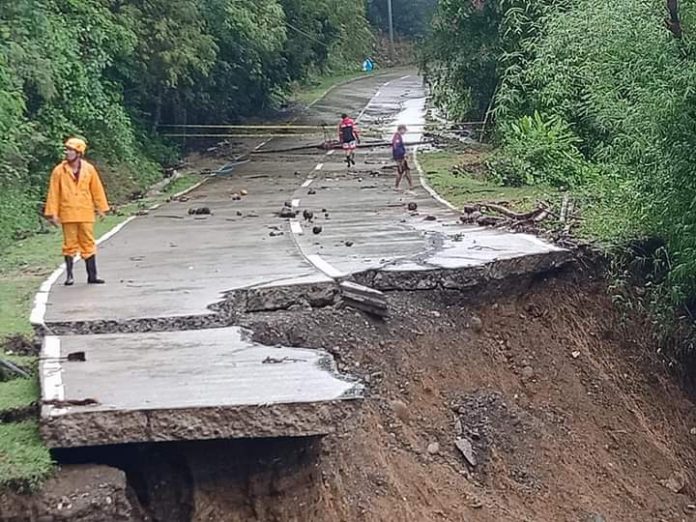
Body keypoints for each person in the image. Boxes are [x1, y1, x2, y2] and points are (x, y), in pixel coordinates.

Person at [44, 137, 110, 286]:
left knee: (88, 242)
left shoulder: (89, 169)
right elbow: (54, 193)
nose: (67, 153)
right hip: (67, 213)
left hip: (85, 212)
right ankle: (69, 276)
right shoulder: (59, 171)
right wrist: (53, 213)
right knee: (69, 244)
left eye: (71, 150)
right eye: (67, 150)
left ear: (79, 152)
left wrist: (101, 208)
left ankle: (92, 275)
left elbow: (96, 189)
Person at [392, 125, 413, 191]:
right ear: (401, 129)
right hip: (400, 157)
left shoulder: (398, 136)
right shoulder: (397, 137)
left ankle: (411, 185)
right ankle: (396, 186)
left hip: (400, 156)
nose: (404, 132)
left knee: (406, 170)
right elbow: (397, 148)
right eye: (404, 130)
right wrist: (402, 155)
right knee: (401, 171)